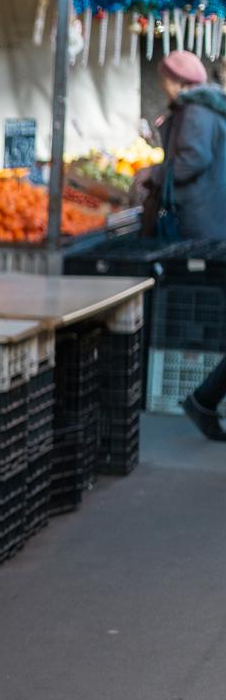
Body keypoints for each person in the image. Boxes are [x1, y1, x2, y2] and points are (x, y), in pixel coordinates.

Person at [151, 51, 226, 438]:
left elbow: (192, 160)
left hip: (208, 222)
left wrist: (154, 175)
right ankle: (204, 401)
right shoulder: (206, 108)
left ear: (176, 79)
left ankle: (204, 400)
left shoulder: (196, 111)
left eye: (164, 77)